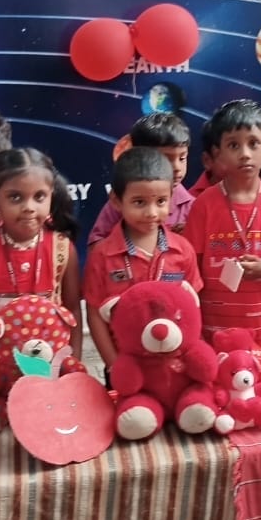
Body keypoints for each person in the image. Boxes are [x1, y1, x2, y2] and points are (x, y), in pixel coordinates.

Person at [182, 100, 261, 346]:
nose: (245, 153)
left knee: (253, 380)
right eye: (233, 145)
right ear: (219, 153)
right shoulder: (204, 204)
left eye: (253, 143)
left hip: (256, 327)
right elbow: (191, 265)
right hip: (211, 328)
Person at [0, 148, 81, 378]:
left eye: (39, 197)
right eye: (15, 197)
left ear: (51, 196)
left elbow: (72, 311)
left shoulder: (63, 249)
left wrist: (71, 371)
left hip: (50, 370)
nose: (29, 207)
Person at [84, 149, 203, 370]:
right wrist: (115, 365)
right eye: (139, 202)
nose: (151, 212)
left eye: (160, 201)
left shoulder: (183, 250)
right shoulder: (102, 256)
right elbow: (95, 315)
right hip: (125, 363)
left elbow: (192, 308)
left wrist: (188, 355)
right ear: (117, 201)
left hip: (173, 364)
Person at [88, 113, 196, 244]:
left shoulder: (192, 207)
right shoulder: (123, 200)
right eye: (166, 159)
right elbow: (96, 246)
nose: (177, 167)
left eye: (182, 158)